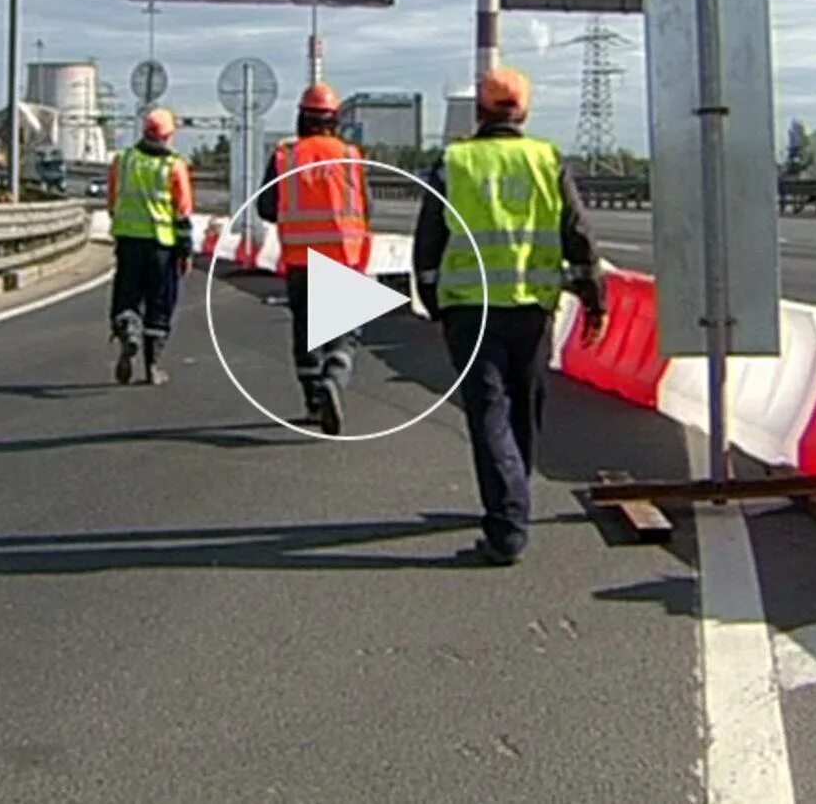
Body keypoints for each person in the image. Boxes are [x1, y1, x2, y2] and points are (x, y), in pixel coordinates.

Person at [411, 67, 607, 565]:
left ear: (479, 111)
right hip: (532, 309)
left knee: (488, 412)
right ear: (524, 111)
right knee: (523, 407)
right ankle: (512, 498)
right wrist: (593, 296)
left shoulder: (453, 162)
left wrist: (433, 302)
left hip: (470, 311)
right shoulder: (546, 159)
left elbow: (428, 241)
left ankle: (507, 523)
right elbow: (578, 234)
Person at [254, 82, 372, 435]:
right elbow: (368, 207)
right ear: (336, 120)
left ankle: (313, 402)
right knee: (346, 333)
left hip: (300, 261)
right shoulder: (351, 157)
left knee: (307, 333)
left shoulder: (285, 157)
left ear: (301, 118)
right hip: (343, 258)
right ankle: (335, 376)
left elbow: (266, 207)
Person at [107, 107, 195, 385]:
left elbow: (112, 201)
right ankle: (153, 366)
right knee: (160, 303)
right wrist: (185, 250)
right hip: (161, 246)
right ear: (169, 136)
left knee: (127, 294)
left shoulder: (124, 160)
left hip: (128, 241)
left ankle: (128, 326)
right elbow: (182, 212)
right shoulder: (174, 166)